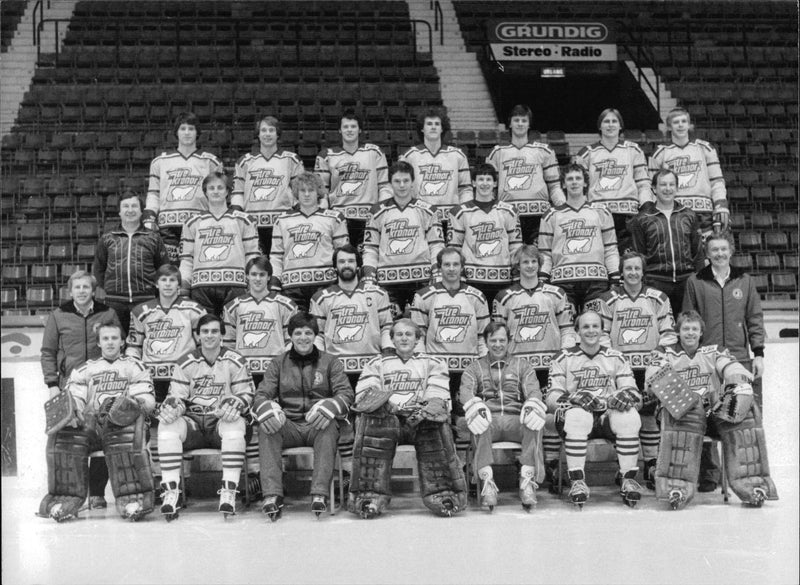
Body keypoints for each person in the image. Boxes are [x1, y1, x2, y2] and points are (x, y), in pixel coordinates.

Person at [645, 311, 777, 509]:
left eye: (694, 329)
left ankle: (752, 485)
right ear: (678, 332)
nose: (690, 333)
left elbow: (731, 366)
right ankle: (676, 488)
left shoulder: (713, 351)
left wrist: (738, 378)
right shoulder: (665, 352)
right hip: (678, 414)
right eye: (685, 329)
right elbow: (653, 376)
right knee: (687, 410)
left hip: (712, 413)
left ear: (701, 333)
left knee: (744, 414)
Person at [348, 319, 468, 518]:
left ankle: (443, 494)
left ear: (417, 339)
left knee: (437, 427)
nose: (404, 338)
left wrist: (424, 410)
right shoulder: (376, 363)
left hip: (420, 421)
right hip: (387, 419)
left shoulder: (433, 363)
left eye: (409, 334)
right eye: (399, 334)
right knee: (369, 425)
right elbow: (364, 396)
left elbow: (439, 396)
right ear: (392, 339)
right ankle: (368, 497)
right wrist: (385, 405)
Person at [38, 320, 155, 522]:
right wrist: (72, 410)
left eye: (114, 338)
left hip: (122, 426)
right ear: (99, 343)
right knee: (67, 434)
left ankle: (132, 498)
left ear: (122, 342)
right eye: (105, 338)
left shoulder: (135, 366)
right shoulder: (85, 369)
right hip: (95, 427)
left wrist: (128, 404)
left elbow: (146, 400)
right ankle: (66, 498)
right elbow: (76, 397)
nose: (110, 342)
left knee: (125, 432)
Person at [682, 230, 766, 491]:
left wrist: (759, 353)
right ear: (707, 254)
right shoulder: (695, 282)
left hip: (741, 360)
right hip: (709, 362)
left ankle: (747, 476)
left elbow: (755, 318)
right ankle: (708, 474)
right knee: (706, 417)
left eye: (723, 249)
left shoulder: (745, 281)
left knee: (746, 421)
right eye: (714, 250)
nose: (719, 254)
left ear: (731, 251)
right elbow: (689, 321)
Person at [253, 312, 354, 520]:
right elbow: (262, 394)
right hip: (288, 424)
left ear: (315, 335)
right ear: (290, 336)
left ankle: (319, 494)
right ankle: (272, 495)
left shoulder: (330, 362)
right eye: (298, 333)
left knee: (328, 427)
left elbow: (346, 393)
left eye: (308, 332)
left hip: (316, 424)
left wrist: (331, 406)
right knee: (267, 427)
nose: (303, 337)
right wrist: (267, 409)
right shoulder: (278, 363)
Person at [156, 314, 255, 519]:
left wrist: (235, 403)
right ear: (198, 335)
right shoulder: (185, 362)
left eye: (214, 331)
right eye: (205, 332)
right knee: (167, 426)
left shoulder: (235, 360)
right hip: (194, 423)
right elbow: (176, 397)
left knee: (234, 422)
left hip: (220, 422)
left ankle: (229, 490)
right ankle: (171, 492)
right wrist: (172, 408)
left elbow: (247, 394)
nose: (209, 336)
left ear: (222, 335)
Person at [491, 244, 574, 487]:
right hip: (519, 367)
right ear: (518, 265)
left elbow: (567, 328)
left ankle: (549, 462)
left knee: (549, 414)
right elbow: (498, 334)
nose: (529, 266)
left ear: (540, 265)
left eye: (533, 262)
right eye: (525, 262)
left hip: (549, 364)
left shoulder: (556, 294)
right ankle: (523, 462)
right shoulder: (504, 297)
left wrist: (564, 356)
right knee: (520, 413)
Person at [595, 250, 677, 489]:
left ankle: (651, 464)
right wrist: (614, 361)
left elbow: (669, 333)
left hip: (650, 369)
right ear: (622, 272)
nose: (632, 273)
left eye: (636, 268)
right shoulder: (608, 299)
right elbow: (601, 335)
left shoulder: (658, 298)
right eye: (628, 268)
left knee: (649, 415)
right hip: (621, 370)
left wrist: (659, 355)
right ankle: (625, 469)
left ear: (643, 271)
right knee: (624, 416)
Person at [40, 269, 121, 510]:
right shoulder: (58, 315)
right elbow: (48, 352)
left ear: (93, 289)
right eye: (77, 287)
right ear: (70, 290)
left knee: (102, 435)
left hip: (102, 384)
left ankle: (96, 493)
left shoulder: (107, 313)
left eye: (86, 287)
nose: (82, 291)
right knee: (72, 439)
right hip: (70, 386)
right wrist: (53, 384)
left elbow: (116, 342)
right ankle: (74, 493)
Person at [546, 311, 643, 508]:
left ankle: (628, 479)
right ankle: (577, 481)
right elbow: (550, 398)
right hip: (574, 420)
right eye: (586, 327)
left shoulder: (616, 357)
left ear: (602, 330)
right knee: (578, 416)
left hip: (607, 417)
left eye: (595, 326)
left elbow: (634, 392)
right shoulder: (563, 357)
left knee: (629, 416)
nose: (591, 331)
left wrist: (625, 396)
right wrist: (572, 398)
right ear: (577, 332)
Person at [223, 255, 298, 499]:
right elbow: (229, 343)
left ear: (269, 277)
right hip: (244, 372)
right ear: (247, 277)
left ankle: (279, 474)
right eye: (253, 274)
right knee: (251, 423)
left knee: (274, 420)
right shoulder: (234, 305)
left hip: (274, 372)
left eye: (262, 275)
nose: (257, 279)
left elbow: (291, 341)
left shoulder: (284, 304)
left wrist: (283, 366)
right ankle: (255, 476)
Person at [126, 263, 207, 491]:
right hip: (153, 380)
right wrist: (135, 372)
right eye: (164, 280)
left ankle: (185, 479)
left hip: (182, 379)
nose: (169, 285)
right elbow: (133, 346)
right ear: (156, 283)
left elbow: (203, 344)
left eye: (173, 280)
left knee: (182, 423)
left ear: (179, 284)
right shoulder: (142, 311)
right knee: (155, 427)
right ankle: (163, 479)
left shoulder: (193, 309)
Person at [458, 322, 546, 511]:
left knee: (535, 422)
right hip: (490, 419)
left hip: (515, 419)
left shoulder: (523, 365)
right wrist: (474, 406)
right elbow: (465, 391)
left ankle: (527, 481)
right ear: (486, 342)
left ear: (509, 341)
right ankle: (487, 483)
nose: (498, 344)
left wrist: (532, 404)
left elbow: (534, 390)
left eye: (502, 340)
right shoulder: (474, 367)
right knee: (477, 422)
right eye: (493, 340)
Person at [410, 247, 490, 421]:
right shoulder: (424, 296)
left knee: (468, 419)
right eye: (447, 264)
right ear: (439, 267)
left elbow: (483, 337)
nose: (452, 268)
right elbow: (418, 337)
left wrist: (483, 367)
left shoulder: (477, 296)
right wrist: (425, 368)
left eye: (456, 264)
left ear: (462, 267)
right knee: (437, 418)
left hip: (468, 370)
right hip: (437, 370)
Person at [362, 161, 444, 318]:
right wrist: (369, 275)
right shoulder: (377, 212)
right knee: (389, 326)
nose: (402, 185)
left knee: (421, 325)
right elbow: (370, 248)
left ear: (413, 182)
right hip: (388, 282)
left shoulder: (427, 210)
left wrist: (437, 271)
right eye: (397, 181)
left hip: (421, 280)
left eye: (406, 181)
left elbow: (437, 245)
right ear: (390, 183)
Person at [538, 163, 620, 314]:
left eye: (578, 178)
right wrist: (543, 279)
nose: (574, 182)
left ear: (585, 182)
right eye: (569, 179)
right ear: (563, 183)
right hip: (563, 282)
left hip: (596, 281)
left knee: (595, 327)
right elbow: (545, 254)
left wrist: (615, 276)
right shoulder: (551, 215)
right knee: (567, 328)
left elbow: (611, 249)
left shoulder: (601, 212)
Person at [143, 111, 223, 263]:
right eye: (183, 128)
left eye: (191, 129)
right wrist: (149, 217)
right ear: (176, 132)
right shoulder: (160, 162)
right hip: (168, 226)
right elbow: (153, 193)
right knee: (170, 271)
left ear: (197, 132)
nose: (187, 133)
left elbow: (219, 195)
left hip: (200, 224)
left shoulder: (211, 162)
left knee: (199, 267)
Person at [179, 171, 260, 316]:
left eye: (220, 188)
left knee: (233, 332)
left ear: (227, 191)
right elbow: (187, 259)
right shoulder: (192, 222)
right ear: (205, 192)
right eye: (211, 188)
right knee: (205, 332)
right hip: (201, 287)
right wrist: (184, 284)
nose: (216, 191)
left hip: (235, 285)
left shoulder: (243, 220)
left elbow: (252, 256)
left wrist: (251, 282)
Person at [573, 108, 652, 254]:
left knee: (628, 259)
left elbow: (643, 183)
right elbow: (578, 187)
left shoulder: (633, 150)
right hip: (597, 215)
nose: (610, 125)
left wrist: (647, 206)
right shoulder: (587, 152)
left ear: (620, 125)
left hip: (628, 216)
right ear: (599, 126)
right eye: (606, 121)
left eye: (614, 121)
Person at [269, 172, 349, 311]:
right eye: (302, 190)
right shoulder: (281, 220)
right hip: (292, 287)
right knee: (296, 329)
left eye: (311, 190)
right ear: (296, 193)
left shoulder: (334, 218)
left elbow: (342, 253)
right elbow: (276, 255)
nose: (306, 194)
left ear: (318, 192)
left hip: (325, 284)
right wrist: (275, 280)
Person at [93, 190, 171, 335]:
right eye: (126, 206)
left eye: (134, 206)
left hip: (146, 299)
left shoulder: (153, 237)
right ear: (119, 212)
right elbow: (98, 269)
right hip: (114, 301)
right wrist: (111, 289)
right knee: (117, 341)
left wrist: (153, 291)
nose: (130, 210)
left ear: (142, 211)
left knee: (147, 341)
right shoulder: (107, 238)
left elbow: (164, 269)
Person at [486, 104, 565, 244]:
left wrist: (564, 210)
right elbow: (489, 189)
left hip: (539, 216)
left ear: (529, 124)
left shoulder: (544, 151)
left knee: (538, 258)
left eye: (524, 120)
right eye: (516, 120)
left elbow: (555, 187)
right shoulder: (497, 153)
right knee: (511, 259)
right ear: (510, 123)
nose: (520, 124)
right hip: (507, 215)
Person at [629, 168, 703, 316]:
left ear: (677, 188)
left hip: (686, 280)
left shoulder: (689, 215)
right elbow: (639, 255)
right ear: (654, 189)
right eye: (663, 185)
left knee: (687, 326)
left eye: (671, 184)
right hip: (655, 281)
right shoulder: (642, 219)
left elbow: (698, 252)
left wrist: (699, 280)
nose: (668, 189)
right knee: (659, 328)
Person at [314, 110, 393, 248]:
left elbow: (384, 187)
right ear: (339, 130)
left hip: (368, 217)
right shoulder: (326, 155)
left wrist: (382, 211)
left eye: (353, 126)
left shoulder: (374, 152)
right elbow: (322, 193)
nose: (349, 130)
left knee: (367, 257)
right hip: (339, 218)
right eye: (345, 127)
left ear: (360, 129)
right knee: (343, 261)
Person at [447, 163, 522, 305]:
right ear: (474, 183)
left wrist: (517, 277)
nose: (485, 183)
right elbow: (454, 250)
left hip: (502, 280)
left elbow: (516, 248)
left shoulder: (509, 211)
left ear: (495, 183)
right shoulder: (459, 212)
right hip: (472, 280)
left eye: (488, 180)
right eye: (481, 179)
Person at [649, 107, 729, 236]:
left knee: (705, 254)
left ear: (689, 125)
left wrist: (721, 205)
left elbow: (717, 181)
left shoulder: (705, 148)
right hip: (673, 212)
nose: (680, 125)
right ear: (669, 127)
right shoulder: (660, 153)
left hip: (704, 213)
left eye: (683, 121)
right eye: (676, 122)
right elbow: (652, 188)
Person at [232, 115, 305, 255]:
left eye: (271, 130)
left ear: (278, 134)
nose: (267, 134)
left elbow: (299, 192)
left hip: (283, 222)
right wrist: (240, 220)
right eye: (263, 130)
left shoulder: (291, 159)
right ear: (258, 134)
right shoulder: (245, 161)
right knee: (256, 266)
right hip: (253, 224)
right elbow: (237, 193)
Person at [398, 107, 472, 238]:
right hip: (422, 219)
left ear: (442, 128)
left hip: (452, 219)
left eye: (437, 124)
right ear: (422, 128)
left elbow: (465, 189)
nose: (433, 127)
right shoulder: (410, 156)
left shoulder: (457, 155)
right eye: (429, 124)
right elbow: (404, 190)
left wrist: (464, 213)